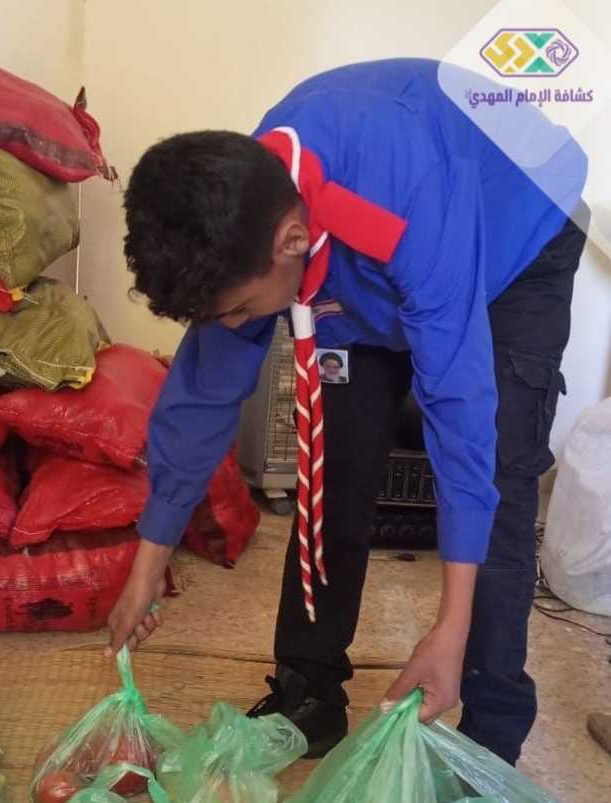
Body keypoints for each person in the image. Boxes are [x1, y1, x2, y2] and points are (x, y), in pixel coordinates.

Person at [107, 58, 588, 765]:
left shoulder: (408, 189)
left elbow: (461, 418)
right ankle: (309, 693)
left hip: (518, 227)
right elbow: (203, 390)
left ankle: (490, 733)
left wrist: (449, 628)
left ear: (290, 243)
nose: (238, 325)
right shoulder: (239, 211)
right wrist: (149, 558)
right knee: (332, 463)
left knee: (498, 474)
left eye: (239, 310)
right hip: (371, 251)